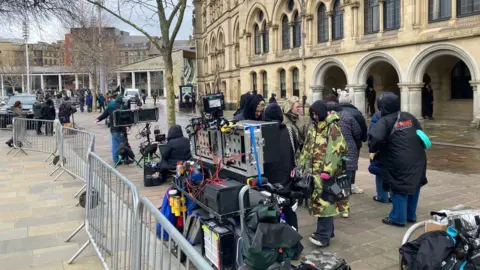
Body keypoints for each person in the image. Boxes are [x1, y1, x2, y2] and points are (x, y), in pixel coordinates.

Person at [369, 92, 428, 227]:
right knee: (414, 185)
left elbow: (375, 140)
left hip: (397, 160)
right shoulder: (409, 117)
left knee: (398, 187)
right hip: (418, 158)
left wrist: (376, 150)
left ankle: (398, 217)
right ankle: (410, 215)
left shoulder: (384, 121)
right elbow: (420, 132)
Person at [298, 101, 348, 247]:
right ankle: (328, 231)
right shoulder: (314, 127)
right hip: (314, 173)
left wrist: (328, 170)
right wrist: (301, 165)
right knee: (322, 201)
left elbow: (337, 149)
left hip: (325, 174)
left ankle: (323, 236)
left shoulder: (332, 127)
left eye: (315, 113)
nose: (314, 116)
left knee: (325, 203)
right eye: (312, 114)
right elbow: (307, 147)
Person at [262, 103, 303, 259]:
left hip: (269, 182)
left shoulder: (261, 133)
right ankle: (295, 247)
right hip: (287, 179)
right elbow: (295, 151)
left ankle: (275, 249)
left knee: (270, 215)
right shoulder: (289, 131)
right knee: (289, 213)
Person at [324, 97, 361, 218]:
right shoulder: (347, 116)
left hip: (329, 156)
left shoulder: (322, 118)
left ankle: (332, 203)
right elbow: (357, 132)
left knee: (331, 180)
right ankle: (344, 208)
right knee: (345, 181)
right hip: (347, 154)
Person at [336, 91, 367, 194]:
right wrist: (362, 139)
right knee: (351, 166)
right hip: (352, 144)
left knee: (337, 168)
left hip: (335, 145)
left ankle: (337, 190)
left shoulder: (334, 113)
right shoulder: (356, 113)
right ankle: (349, 188)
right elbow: (360, 129)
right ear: (350, 100)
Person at [369, 96, 390, 203]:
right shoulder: (399, 115)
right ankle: (392, 195)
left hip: (381, 149)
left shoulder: (377, 115)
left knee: (380, 172)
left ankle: (382, 196)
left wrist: (372, 149)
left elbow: (373, 134)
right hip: (394, 149)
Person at [96, 96, 129, 165]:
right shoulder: (123, 107)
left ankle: (116, 160)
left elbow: (104, 114)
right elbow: (128, 117)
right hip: (121, 129)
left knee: (114, 145)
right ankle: (125, 158)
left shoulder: (110, 106)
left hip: (113, 129)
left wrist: (98, 119)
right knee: (124, 144)